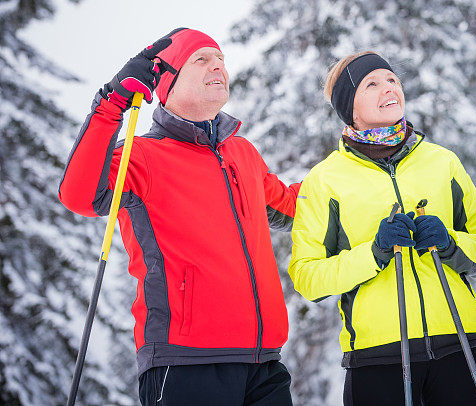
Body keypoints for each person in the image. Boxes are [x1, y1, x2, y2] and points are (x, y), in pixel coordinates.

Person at [59, 28, 300, 406]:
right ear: (166, 83)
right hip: (185, 361)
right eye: (201, 59)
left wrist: (356, 175)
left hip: (264, 363)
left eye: (221, 60)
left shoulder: (242, 152)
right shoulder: (142, 156)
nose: (217, 66)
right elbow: (80, 196)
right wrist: (111, 105)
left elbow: (292, 205)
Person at [288, 51, 476, 405]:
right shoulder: (325, 180)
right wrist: (374, 252)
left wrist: (451, 244)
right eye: (372, 83)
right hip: (377, 357)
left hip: (459, 346)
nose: (388, 88)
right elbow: (307, 277)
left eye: (392, 80)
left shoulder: (442, 162)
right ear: (351, 108)